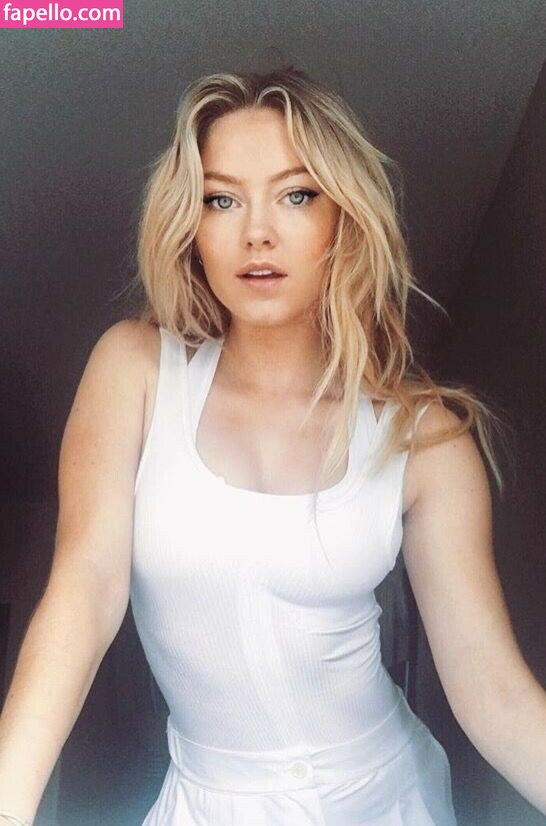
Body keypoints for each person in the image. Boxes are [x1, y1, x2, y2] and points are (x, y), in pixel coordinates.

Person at [0, 65, 545, 826]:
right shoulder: (135, 370)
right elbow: (84, 590)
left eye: (296, 195)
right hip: (209, 800)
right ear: (191, 224)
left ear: (344, 217)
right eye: (222, 199)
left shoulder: (424, 437)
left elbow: (493, 688)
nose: (257, 232)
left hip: (385, 796)